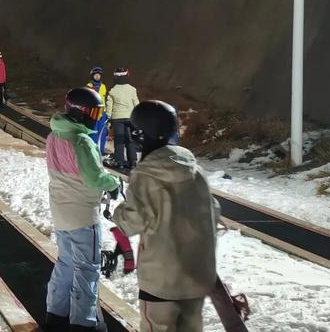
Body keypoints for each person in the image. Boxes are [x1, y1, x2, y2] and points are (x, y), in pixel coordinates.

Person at [112, 101, 219, 332]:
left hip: (162, 281)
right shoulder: (196, 171)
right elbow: (214, 210)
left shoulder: (147, 175)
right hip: (198, 277)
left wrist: (117, 212)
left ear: (140, 134)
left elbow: (131, 222)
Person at [45, 87, 120, 332]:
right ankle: (83, 323)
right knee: (87, 269)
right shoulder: (81, 141)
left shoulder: (54, 136)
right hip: (84, 215)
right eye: (94, 113)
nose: (97, 118)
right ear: (81, 112)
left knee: (65, 264)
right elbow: (94, 178)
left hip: (61, 212)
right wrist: (113, 183)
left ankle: (56, 315)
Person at [106, 68, 139, 170]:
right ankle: (132, 162)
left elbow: (109, 106)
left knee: (119, 140)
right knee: (130, 140)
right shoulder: (132, 89)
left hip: (117, 119)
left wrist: (108, 118)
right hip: (130, 118)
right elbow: (136, 103)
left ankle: (119, 162)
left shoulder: (113, 90)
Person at [86, 66, 109, 154]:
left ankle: (101, 151)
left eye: (99, 75)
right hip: (93, 112)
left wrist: (106, 112)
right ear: (92, 76)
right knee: (93, 132)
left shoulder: (103, 86)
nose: (97, 76)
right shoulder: (88, 86)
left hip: (103, 112)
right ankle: (92, 151)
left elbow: (104, 99)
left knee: (103, 132)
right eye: (95, 75)